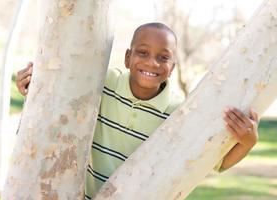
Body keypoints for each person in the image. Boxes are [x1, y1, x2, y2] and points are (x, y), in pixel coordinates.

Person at [16, 23, 259, 199]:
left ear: (172, 68)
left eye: (163, 58)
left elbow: (214, 162)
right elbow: (60, 92)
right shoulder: (101, 83)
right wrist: (34, 84)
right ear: (127, 57)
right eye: (143, 53)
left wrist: (247, 142)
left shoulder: (178, 113)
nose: (152, 63)